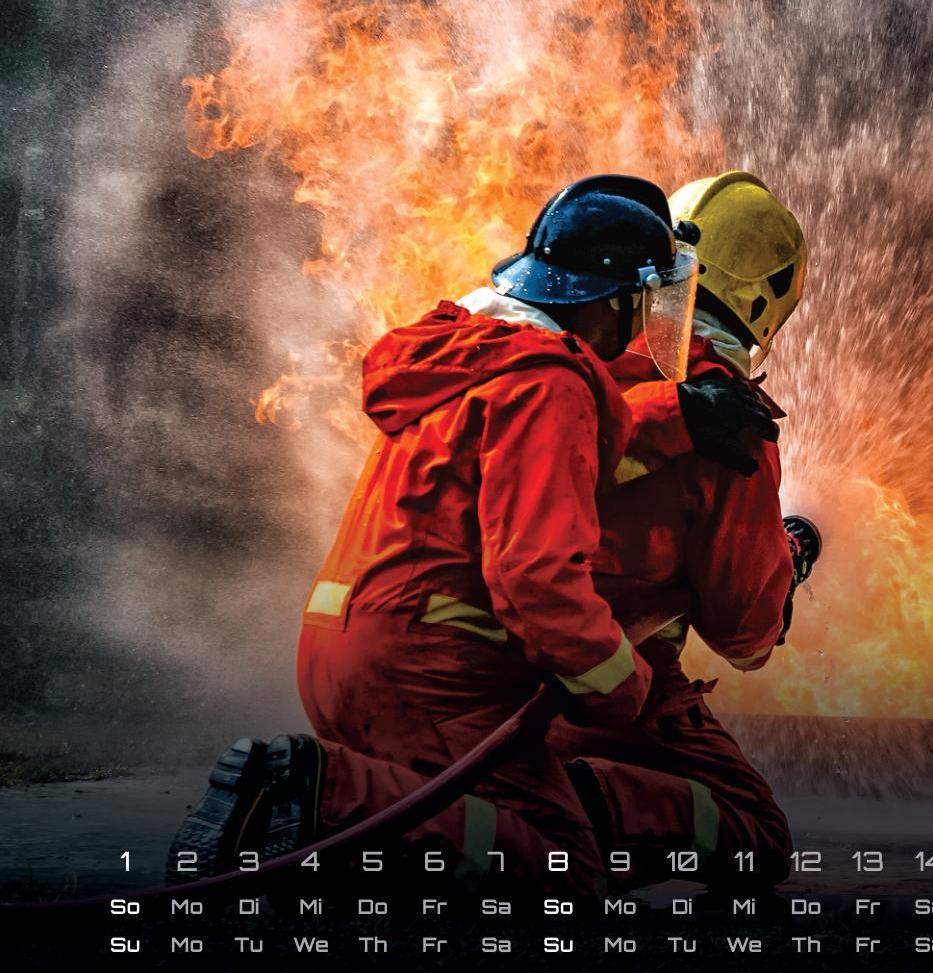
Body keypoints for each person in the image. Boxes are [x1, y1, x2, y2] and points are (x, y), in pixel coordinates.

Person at [169, 175, 683, 898]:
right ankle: (314, 794)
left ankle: (326, 831)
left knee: (443, 827)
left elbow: (561, 470)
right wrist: (620, 684)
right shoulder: (550, 385)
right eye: (643, 300)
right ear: (610, 299)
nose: (644, 323)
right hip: (429, 665)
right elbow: (536, 576)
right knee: (564, 865)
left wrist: (674, 415)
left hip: (339, 642)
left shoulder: (472, 356)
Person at [549, 170, 809, 896]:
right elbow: (746, 636)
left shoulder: (575, 346)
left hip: (480, 663)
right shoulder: (733, 421)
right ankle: (571, 807)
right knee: (754, 833)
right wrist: (788, 561)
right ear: (769, 300)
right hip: (605, 683)